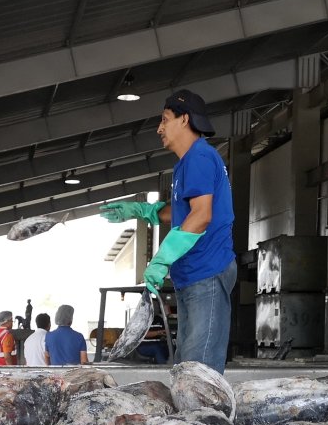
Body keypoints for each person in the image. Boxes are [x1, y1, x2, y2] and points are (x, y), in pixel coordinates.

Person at [100, 89, 237, 373]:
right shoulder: (187, 163)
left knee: (199, 370)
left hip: (207, 270)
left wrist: (162, 258)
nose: (159, 128)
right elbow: (185, 211)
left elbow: (201, 216)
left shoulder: (200, 156)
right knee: (187, 364)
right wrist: (142, 210)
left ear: (184, 119)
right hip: (192, 275)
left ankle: (204, 404)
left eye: (165, 119)